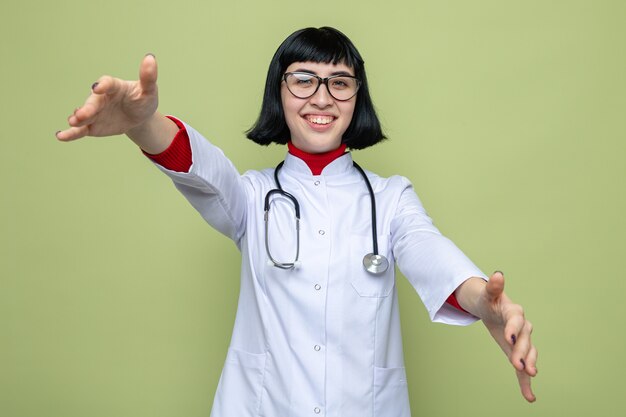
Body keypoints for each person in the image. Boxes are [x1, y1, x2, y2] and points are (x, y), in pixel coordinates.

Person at [56, 27, 537, 417]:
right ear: (279, 92)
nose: (322, 97)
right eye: (303, 79)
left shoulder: (391, 200)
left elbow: (431, 256)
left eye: (340, 82)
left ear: (356, 97)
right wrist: (142, 123)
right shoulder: (252, 196)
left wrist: (487, 305)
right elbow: (202, 170)